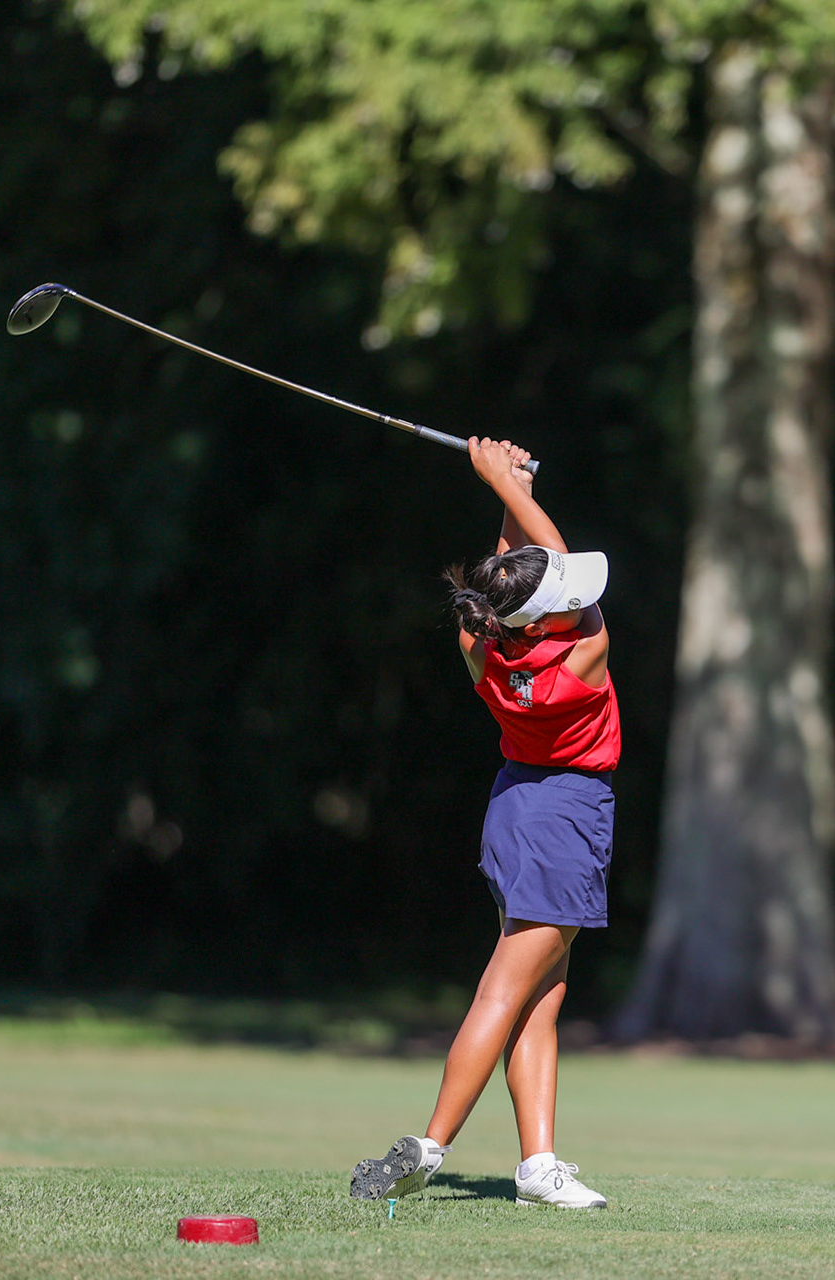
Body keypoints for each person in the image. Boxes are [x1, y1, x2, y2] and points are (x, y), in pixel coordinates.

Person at [349, 436, 619, 1211]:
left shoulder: (481, 643)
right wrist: (505, 481)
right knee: (504, 991)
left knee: (539, 995)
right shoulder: (585, 651)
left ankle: (538, 1166)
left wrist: (509, 485)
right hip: (565, 815)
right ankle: (429, 1147)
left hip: (514, 809)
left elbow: (515, 572)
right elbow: (550, 563)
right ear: (546, 618)